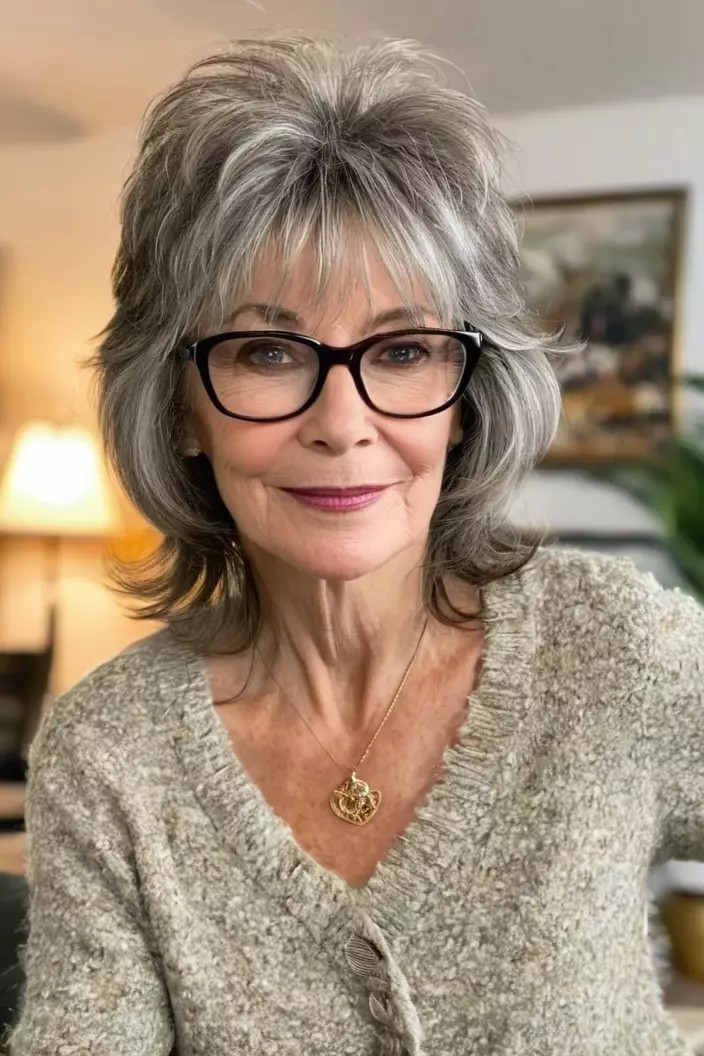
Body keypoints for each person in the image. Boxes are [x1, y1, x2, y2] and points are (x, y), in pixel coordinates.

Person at [7, 36, 703, 1056]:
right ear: (181, 406)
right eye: (267, 350)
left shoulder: (615, 649)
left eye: (405, 348)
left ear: (464, 399)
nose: (342, 424)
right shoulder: (109, 755)